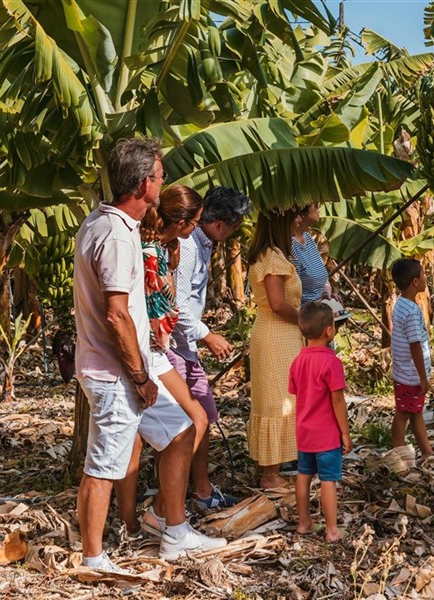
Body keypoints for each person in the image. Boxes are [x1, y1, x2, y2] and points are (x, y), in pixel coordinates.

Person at [73, 138, 225, 570]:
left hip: (137, 361)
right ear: (144, 184)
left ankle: (174, 531)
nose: (163, 182)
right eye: (159, 176)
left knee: (180, 432)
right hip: (117, 369)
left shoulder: (108, 225)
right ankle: (93, 557)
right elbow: (117, 313)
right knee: (103, 464)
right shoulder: (118, 236)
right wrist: (139, 376)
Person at [114, 185, 212, 538]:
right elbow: (153, 309)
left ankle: (161, 512)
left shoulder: (168, 248)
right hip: (143, 351)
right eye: (195, 221)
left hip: (158, 351)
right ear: (182, 221)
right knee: (133, 441)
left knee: (197, 418)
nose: (197, 228)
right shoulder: (146, 250)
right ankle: (131, 524)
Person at [169, 186, 252, 511]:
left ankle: (201, 490)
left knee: (204, 416)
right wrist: (208, 335)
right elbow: (176, 304)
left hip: (185, 348)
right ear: (221, 225)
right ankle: (173, 501)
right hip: (176, 347)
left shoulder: (202, 245)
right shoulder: (188, 247)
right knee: (193, 420)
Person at [247, 209, 304, 489]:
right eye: (293, 217)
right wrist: (306, 319)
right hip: (276, 334)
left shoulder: (271, 254)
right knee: (276, 401)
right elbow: (278, 302)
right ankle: (270, 474)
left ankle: (267, 466)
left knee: (276, 398)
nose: (297, 221)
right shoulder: (272, 257)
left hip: (277, 334)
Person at [289, 301, 351, 543]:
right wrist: (344, 433)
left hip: (304, 432)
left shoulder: (297, 361)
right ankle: (332, 530)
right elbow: (337, 401)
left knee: (303, 475)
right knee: (328, 480)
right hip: (326, 435)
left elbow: (296, 391)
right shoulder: (331, 362)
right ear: (329, 331)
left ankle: (304, 522)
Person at [389, 258, 434, 460]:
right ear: (415, 282)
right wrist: (423, 378)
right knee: (403, 414)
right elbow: (415, 345)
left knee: (415, 412)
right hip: (411, 375)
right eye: (423, 276)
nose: (426, 279)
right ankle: (397, 454)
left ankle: (427, 451)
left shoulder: (400, 304)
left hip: (403, 372)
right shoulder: (413, 312)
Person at [292, 202, 331, 306]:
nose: (319, 207)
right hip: (303, 315)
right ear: (302, 213)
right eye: (316, 205)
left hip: (317, 310)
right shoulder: (290, 247)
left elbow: (323, 276)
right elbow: (291, 293)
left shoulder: (308, 238)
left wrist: (327, 295)